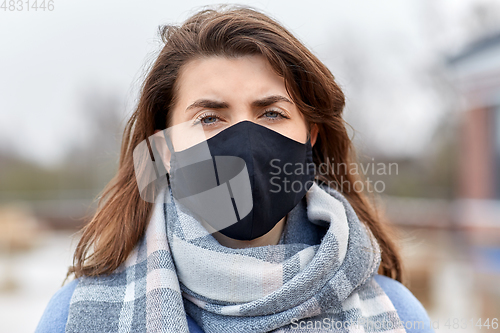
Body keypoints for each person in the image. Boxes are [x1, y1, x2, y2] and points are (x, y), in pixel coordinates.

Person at [36, 5, 434, 333]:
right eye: (209, 118)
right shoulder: (74, 317)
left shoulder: (398, 315)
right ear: (166, 148)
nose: (245, 139)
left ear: (310, 135)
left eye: (272, 113)